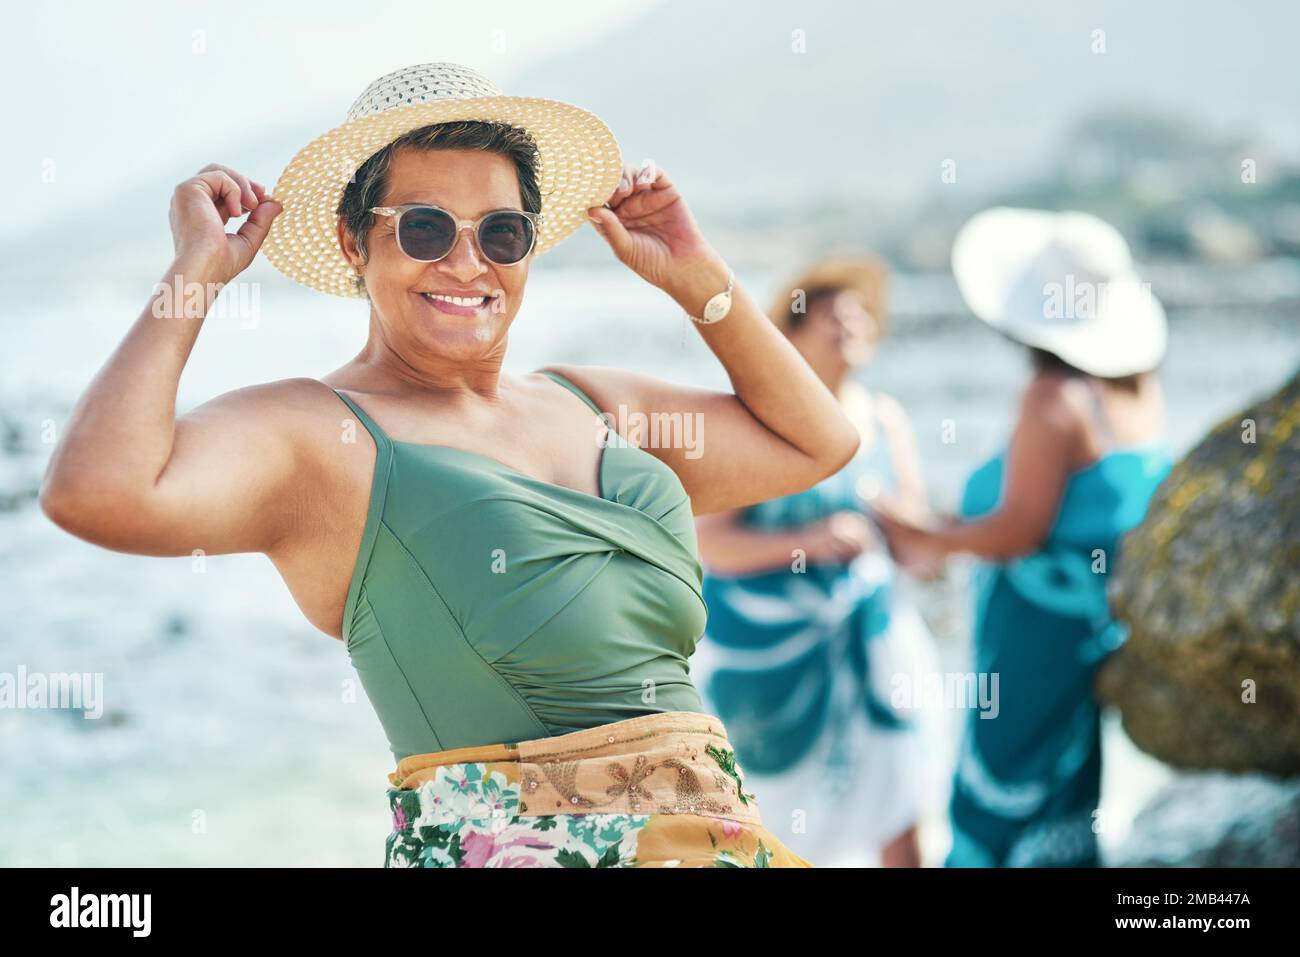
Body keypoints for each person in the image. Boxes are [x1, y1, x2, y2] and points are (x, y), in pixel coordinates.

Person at [38, 62, 863, 868]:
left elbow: (816, 440)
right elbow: (94, 490)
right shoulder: (321, 437)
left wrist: (700, 280)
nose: (468, 263)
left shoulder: (591, 401)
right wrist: (193, 277)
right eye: (425, 228)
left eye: (502, 232)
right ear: (353, 240)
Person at [876, 208, 1174, 867]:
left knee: (1001, 785)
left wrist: (915, 530)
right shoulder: (1136, 390)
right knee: (1064, 784)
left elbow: (1019, 528)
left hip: (1032, 629)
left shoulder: (1051, 396)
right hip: (1091, 627)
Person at [692, 257, 935, 867]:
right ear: (790, 334)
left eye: (860, 313)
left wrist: (947, 538)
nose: (850, 322)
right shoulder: (763, 419)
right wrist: (810, 541)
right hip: (768, 659)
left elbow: (916, 548)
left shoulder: (885, 418)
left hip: (872, 645)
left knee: (899, 795)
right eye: (830, 312)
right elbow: (710, 545)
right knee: (762, 819)